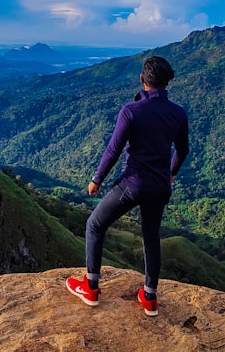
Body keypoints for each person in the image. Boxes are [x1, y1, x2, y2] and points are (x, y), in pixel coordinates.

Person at [66, 55, 189, 317]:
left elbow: (114, 150)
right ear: (167, 83)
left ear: (142, 79)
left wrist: (96, 179)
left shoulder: (131, 111)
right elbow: (183, 149)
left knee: (94, 224)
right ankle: (150, 297)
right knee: (151, 237)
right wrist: (171, 173)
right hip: (159, 187)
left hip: (132, 183)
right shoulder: (178, 113)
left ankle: (90, 287)